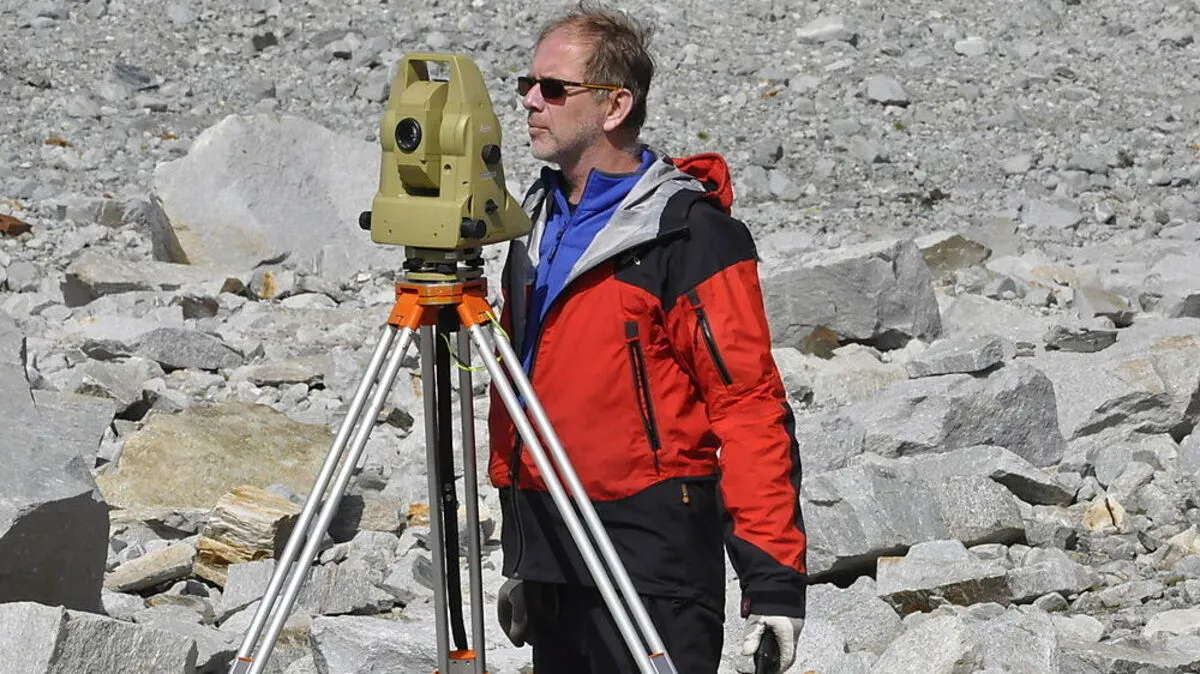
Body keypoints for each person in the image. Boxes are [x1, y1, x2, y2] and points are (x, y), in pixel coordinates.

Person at [487, 4, 807, 673]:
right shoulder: (533, 223)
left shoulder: (690, 234)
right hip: (551, 548)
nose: (529, 101)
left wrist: (773, 583)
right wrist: (523, 554)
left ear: (614, 105)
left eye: (553, 88)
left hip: (651, 557)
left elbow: (749, 407)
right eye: (527, 84)